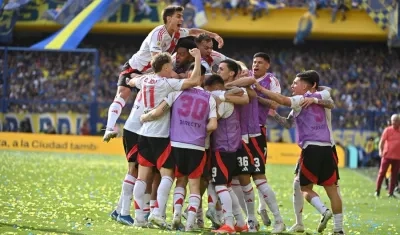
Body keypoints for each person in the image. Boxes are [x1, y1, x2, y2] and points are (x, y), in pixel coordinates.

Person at [103, 5, 224, 142]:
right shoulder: (158, 34)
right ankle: (109, 129)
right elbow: (157, 61)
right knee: (122, 95)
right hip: (135, 69)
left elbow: (193, 31)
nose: (182, 19)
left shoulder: (177, 33)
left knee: (154, 101)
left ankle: (146, 131)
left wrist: (213, 35)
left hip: (151, 73)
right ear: (168, 18)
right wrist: (174, 76)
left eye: (182, 16)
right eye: (178, 16)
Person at [255, 70, 345, 235]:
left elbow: (283, 100)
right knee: (327, 188)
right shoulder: (307, 99)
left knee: (304, 187)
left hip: (311, 148)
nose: (292, 85)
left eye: (296, 83)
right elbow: (289, 124)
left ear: (306, 86)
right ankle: (337, 229)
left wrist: (259, 88)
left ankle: (323, 211)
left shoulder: (307, 97)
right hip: (326, 149)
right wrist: (273, 114)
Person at [128, 49, 203, 228]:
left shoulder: (145, 80)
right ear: (167, 67)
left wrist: (131, 79)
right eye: (171, 66)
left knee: (142, 177)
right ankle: (158, 213)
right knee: (167, 175)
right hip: (159, 135)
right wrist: (198, 58)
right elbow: (193, 81)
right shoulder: (167, 84)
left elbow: (132, 80)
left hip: (143, 133)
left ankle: (139, 218)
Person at [140, 63, 217, 232]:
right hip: (197, 146)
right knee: (194, 185)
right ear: (202, 78)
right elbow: (212, 125)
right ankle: (189, 224)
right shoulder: (209, 98)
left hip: (176, 144)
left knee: (178, 180)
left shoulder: (175, 93)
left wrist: (144, 117)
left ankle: (174, 215)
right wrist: (199, 131)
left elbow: (158, 112)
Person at [204, 74, 247, 234]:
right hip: (230, 148)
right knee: (227, 187)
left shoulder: (223, 103)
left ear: (215, 88)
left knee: (221, 185)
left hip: (222, 149)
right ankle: (241, 223)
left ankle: (228, 223)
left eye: (208, 91)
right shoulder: (229, 100)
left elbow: (213, 122)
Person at [375, 114, 400, 198]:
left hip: (397, 157)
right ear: (391, 121)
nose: (394, 122)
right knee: (382, 173)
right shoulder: (387, 130)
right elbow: (382, 142)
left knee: (394, 175)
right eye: (393, 120)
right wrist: (380, 151)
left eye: (396, 120)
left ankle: (391, 192)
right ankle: (377, 190)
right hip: (387, 155)